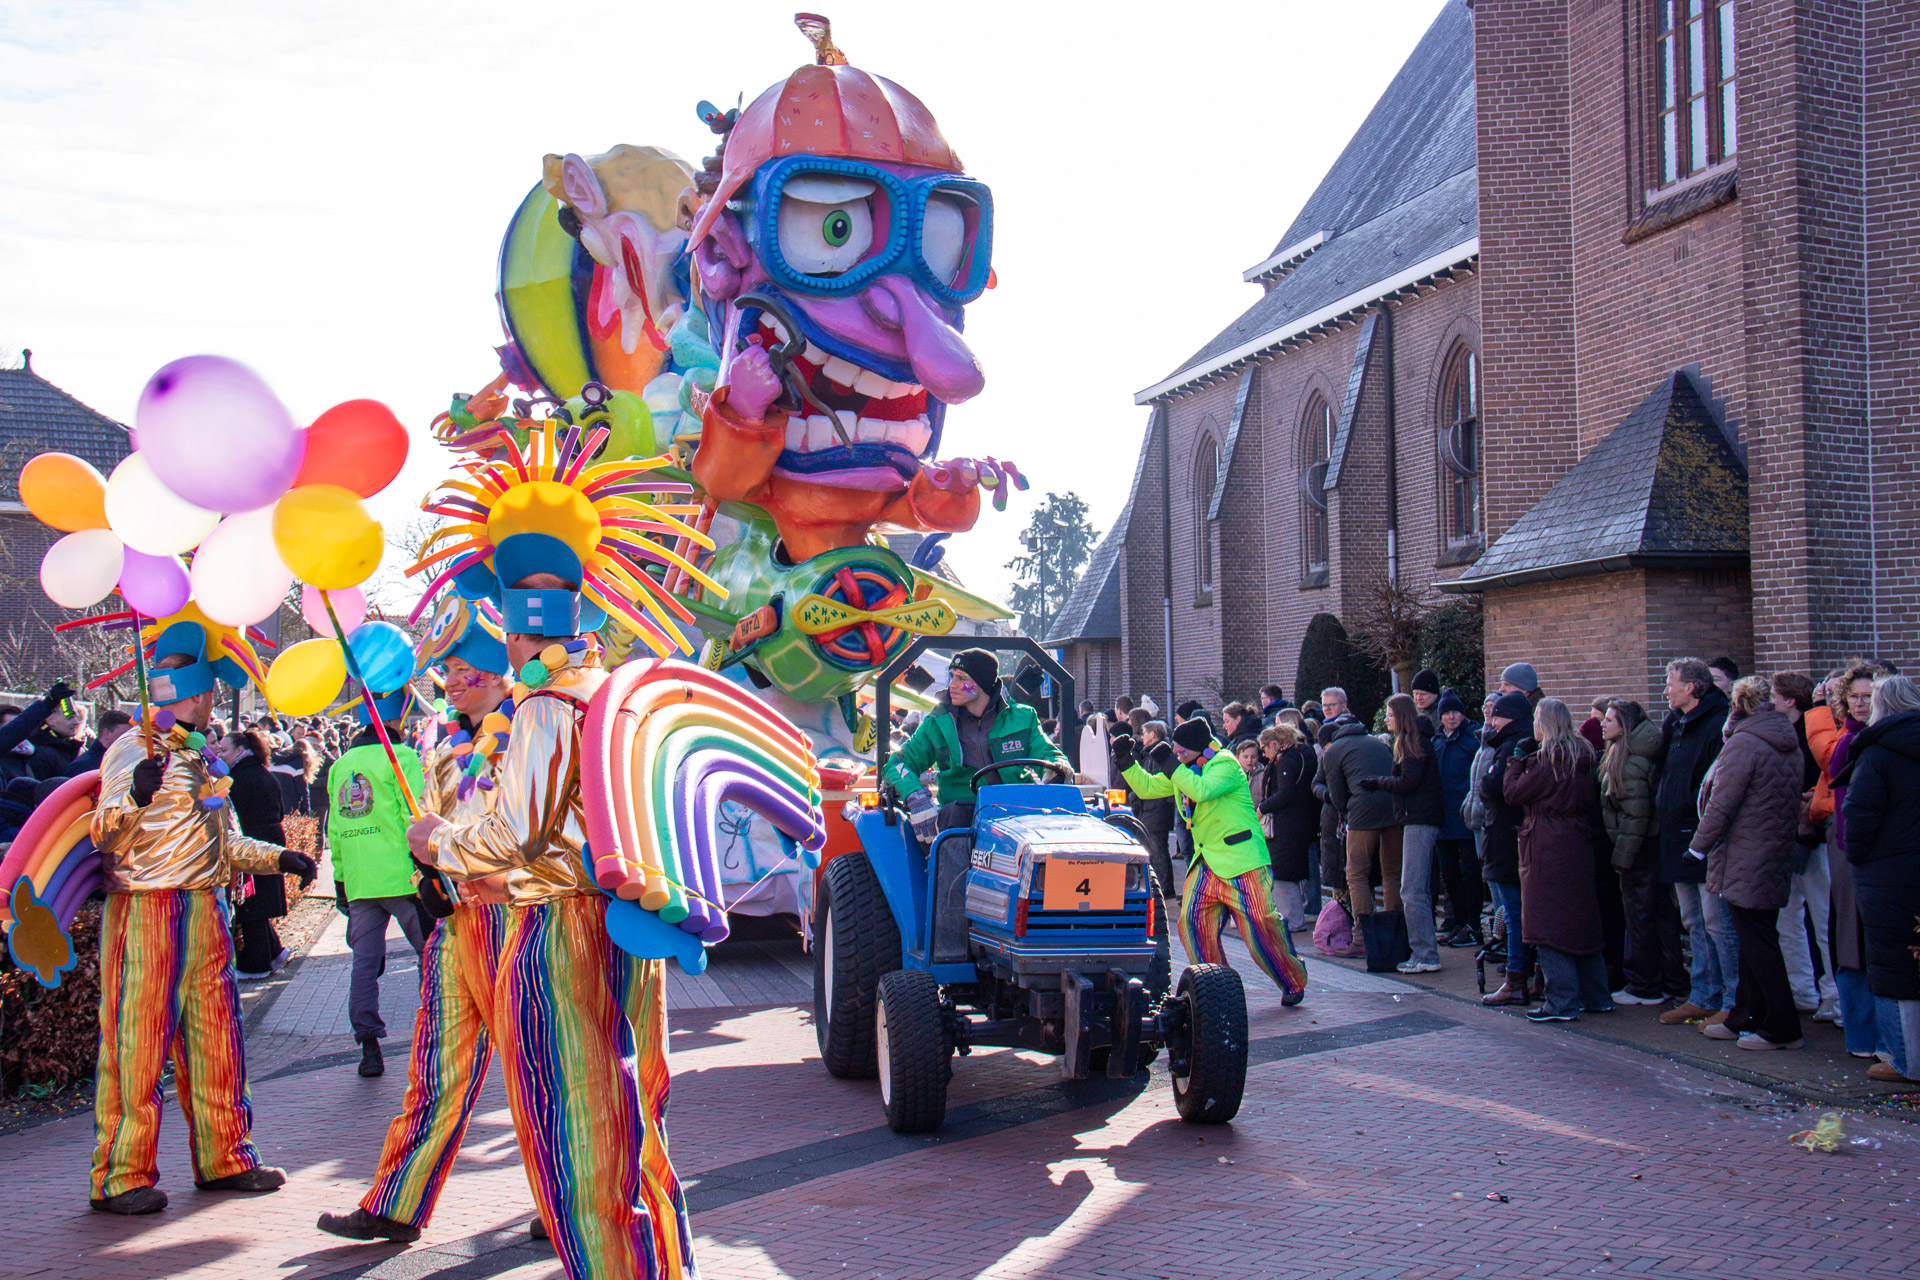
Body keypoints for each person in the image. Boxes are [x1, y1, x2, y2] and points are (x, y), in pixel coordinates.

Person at [409, 554, 698, 1277]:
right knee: (637, 1127)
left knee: (577, 1129)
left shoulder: (546, 703)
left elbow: (519, 834)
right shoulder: (610, 690)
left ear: (512, 635)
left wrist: (438, 843)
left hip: (558, 933)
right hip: (626, 924)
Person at [86, 619, 315, 1215]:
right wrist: (134, 795)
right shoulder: (133, 749)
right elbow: (103, 833)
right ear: (201, 692)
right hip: (147, 910)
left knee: (217, 1040)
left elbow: (225, 841)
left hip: (205, 909)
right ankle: (119, 1175)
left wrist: (280, 857)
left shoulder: (201, 756)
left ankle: (225, 1158)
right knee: (136, 1043)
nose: (208, 696)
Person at [321, 598, 527, 1245]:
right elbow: (431, 829)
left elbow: (527, 837)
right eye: (449, 669)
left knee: (540, 1072)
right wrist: (429, 879)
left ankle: (571, 1198)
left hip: (521, 926)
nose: (454, 680)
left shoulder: (531, 732)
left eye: (467, 668)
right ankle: (396, 1202)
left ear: (500, 671)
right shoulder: (443, 750)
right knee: (434, 1069)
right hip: (455, 928)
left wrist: (448, 851)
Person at [1114, 718, 1307, 1006]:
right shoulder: (1185, 769)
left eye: (1180, 750)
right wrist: (1125, 760)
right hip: (1206, 863)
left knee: (1260, 928)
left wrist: (1169, 762)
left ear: (1195, 748)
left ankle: (1292, 979)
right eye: (1174, 750)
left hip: (1242, 861)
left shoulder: (1224, 764)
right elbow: (1148, 788)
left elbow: (1200, 790)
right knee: (1193, 924)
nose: (1176, 754)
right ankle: (1217, 988)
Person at [1686, 676, 1804, 1050]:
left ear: (1737, 705)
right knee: (1757, 939)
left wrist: (1697, 848)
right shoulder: (1787, 741)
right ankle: (1746, 1016)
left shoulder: (1744, 743)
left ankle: (1782, 1027)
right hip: (1773, 851)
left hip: (1745, 854)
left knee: (1757, 943)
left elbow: (1722, 804)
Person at [328, 685, 430, 1079]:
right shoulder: (402, 756)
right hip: (405, 878)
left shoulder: (341, 765)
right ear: (396, 719)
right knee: (431, 957)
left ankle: (368, 1047)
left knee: (364, 965)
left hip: (359, 882)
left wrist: (341, 881)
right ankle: (435, 1029)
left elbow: (336, 830)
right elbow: (416, 815)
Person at [884, 648, 1073, 839]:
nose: (952, 684)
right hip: (962, 820)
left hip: (1018, 813)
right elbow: (898, 763)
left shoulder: (1022, 717)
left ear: (983, 683)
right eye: (952, 676)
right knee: (951, 828)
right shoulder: (938, 722)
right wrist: (916, 797)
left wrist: (1058, 767)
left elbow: (1047, 754)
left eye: (961, 678)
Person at [1502, 698, 1610, 1021]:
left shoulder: (1547, 761)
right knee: (1581, 920)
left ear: (1545, 723)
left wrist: (1515, 761)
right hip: (1578, 841)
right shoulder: (1583, 756)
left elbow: (1512, 793)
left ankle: (1560, 1001)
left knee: (1547, 922)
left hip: (1546, 844)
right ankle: (1596, 995)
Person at [1836, 675, 1920, 1083]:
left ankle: (1904, 1058)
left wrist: (1859, 858)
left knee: (1892, 963)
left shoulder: (1877, 753)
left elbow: (1859, 816)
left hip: (1889, 873)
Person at [1655, 657, 1736, 1027]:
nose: (1666, 691)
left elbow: (1715, 783)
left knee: (1717, 921)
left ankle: (1732, 999)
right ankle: (1703, 995)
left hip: (1703, 837)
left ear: (1690, 687)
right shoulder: (1676, 723)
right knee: (1692, 920)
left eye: (1671, 684)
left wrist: (1686, 805)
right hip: (1676, 835)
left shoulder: (1718, 724)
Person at [1817, 663, 1882, 1059]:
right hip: (1847, 848)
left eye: (1868, 697)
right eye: (1854, 696)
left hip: (1882, 853)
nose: (1860, 703)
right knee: (1850, 940)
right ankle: (1861, 1036)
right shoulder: (1848, 739)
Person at [1600, 699, 1683, 1006]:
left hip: (1640, 851)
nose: (1603, 724)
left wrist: (1623, 859)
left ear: (1624, 727)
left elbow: (1636, 816)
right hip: (1649, 848)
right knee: (1659, 913)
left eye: (1610, 720)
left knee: (1640, 915)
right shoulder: (1634, 755)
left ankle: (1644, 984)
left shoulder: (1630, 763)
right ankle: (1670, 979)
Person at [1359, 694, 1444, 972]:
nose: (1386, 719)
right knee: (1415, 889)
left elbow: (1409, 782)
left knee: (1412, 889)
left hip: (1419, 819)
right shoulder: (1414, 741)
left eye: (1389, 715)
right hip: (1416, 818)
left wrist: (1378, 783)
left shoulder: (1413, 743)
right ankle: (1423, 950)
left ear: (1401, 716)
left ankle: (1425, 954)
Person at [1769, 672, 1835, 1020]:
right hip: (1787, 836)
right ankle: (1803, 990)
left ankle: (1833, 995)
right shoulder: (1784, 735)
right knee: (1788, 918)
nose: (1770, 702)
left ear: (1790, 700)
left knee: (1823, 919)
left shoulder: (1810, 736)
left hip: (1813, 837)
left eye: (1775, 696)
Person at [1479, 691, 1536, 1005]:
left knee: (1513, 912)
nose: (1492, 722)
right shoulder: (1516, 744)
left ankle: (1516, 978)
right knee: (1517, 911)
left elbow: (1493, 785)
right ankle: (1529, 974)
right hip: (1513, 837)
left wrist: (1487, 782)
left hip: (1506, 837)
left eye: (1497, 716)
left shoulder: (1510, 747)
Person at [220, 730, 291, 981]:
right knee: (260, 904)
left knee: (251, 905)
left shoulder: (236, 779)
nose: (220, 755)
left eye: (224, 750)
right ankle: (274, 951)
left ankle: (257, 963)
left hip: (252, 846)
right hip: (270, 841)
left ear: (239, 751)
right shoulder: (263, 773)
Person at [1322, 698, 1400, 922]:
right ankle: (1395, 928)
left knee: (1356, 874)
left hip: (1361, 813)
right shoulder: (1379, 743)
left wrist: (1347, 811)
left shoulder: (1333, 751)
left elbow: (1337, 796)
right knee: (1392, 872)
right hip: (1393, 809)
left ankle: (1362, 932)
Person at [1432, 691, 1483, 947]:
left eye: (1456, 712)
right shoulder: (1436, 742)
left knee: (1470, 873)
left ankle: (1473, 924)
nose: (1451, 717)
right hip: (1444, 820)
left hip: (1467, 817)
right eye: (1447, 713)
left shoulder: (1473, 739)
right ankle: (1459, 922)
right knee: (1450, 875)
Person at [1256, 724, 1318, 931]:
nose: (1264, 754)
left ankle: (1292, 920)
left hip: (1287, 824)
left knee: (1283, 870)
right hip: (1298, 822)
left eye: (1264, 749)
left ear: (1274, 744)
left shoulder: (1286, 761)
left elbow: (1286, 792)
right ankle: (1292, 917)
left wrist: (1263, 807)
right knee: (1288, 869)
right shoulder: (1300, 756)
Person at [1134, 719, 1178, 899]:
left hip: (1156, 808)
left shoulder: (1158, 755)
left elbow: (1154, 782)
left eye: (1144, 733)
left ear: (1153, 734)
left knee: (1157, 848)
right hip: (1154, 808)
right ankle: (1161, 886)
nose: (1142, 737)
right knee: (1156, 847)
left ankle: (1164, 888)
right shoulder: (1152, 754)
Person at [71, 708, 134, 775]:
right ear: (106, 733)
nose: (130, 739)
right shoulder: (82, 766)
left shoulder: (123, 761)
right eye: (125, 734)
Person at [1409, 669, 1440, 737]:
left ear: (1435, 694)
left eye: (1423, 694)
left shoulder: (1445, 714)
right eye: (1416, 694)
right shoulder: (1411, 714)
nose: (1418, 698)